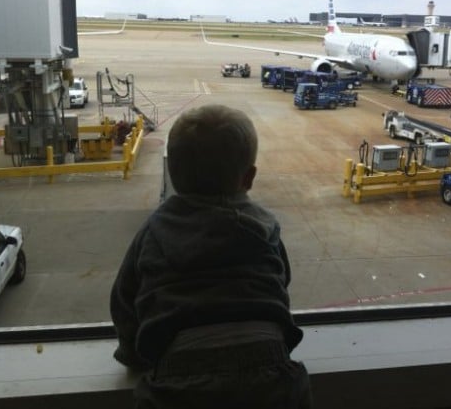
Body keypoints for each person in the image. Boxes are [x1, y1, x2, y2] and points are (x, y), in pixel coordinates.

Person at [110, 104, 312, 409]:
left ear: (174, 176)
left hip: (179, 374)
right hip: (273, 371)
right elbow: (279, 284)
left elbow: (124, 303)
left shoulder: (154, 232)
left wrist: (132, 356)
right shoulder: (267, 230)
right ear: (249, 177)